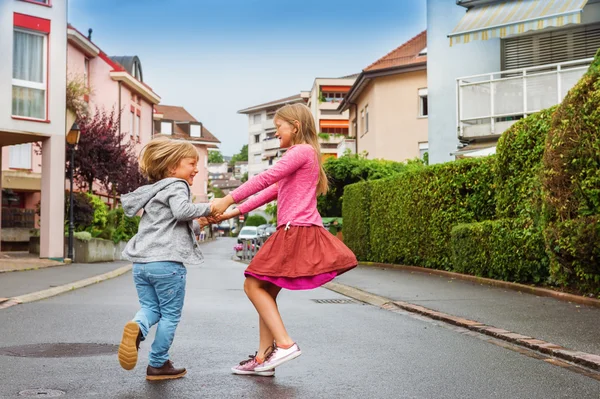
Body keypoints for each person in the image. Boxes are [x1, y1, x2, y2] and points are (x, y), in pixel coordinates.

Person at [211, 103, 357, 377]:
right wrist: (232, 212)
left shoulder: (301, 151)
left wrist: (227, 197)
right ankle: (264, 358)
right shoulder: (305, 156)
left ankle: (285, 344)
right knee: (265, 291)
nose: (275, 132)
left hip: (295, 229)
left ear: (295, 126)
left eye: (279, 127)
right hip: (295, 229)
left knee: (252, 285)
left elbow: (266, 178)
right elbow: (272, 191)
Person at [117, 137, 215, 381]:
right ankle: (158, 364)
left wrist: (198, 222)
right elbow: (182, 211)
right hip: (167, 265)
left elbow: (174, 222)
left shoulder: (156, 190)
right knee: (170, 315)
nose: (196, 169)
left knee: (151, 308)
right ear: (173, 167)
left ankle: (137, 327)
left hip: (141, 264)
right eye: (192, 163)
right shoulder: (177, 185)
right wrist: (209, 207)